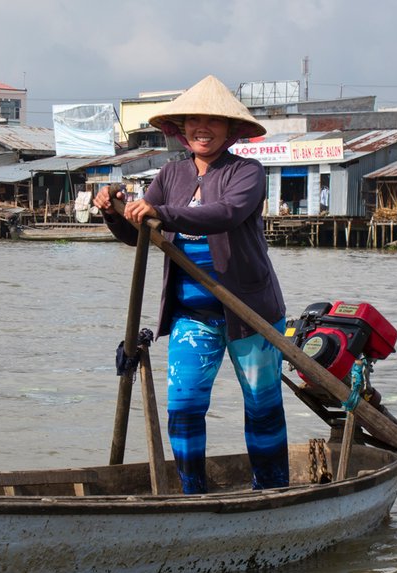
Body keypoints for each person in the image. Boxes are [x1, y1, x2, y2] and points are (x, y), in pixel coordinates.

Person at [94, 75, 289, 495]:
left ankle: (273, 493)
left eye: (212, 121)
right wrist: (114, 211)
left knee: (262, 405)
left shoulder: (247, 172)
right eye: (193, 120)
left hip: (249, 313)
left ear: (231, 129)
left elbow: (226, 214)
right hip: (192, 314)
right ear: (180, 128)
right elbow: (142, 235)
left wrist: (163, 212)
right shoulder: (170, 174)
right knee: (183, 408)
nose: (202, 128)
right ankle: (191, 495)